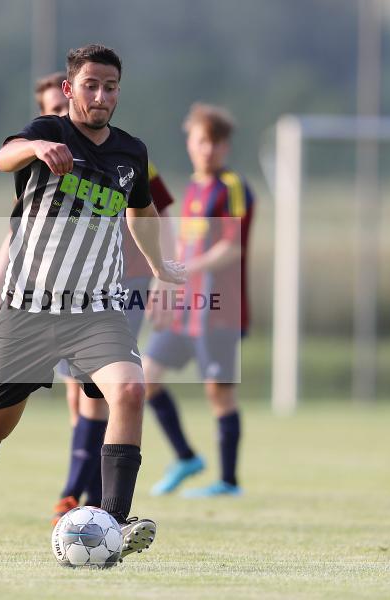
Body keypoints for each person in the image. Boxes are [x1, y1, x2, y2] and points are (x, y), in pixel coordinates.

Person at [0, 44, 185, 561]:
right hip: (31, 308)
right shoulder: (49, 131)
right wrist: (36, 150)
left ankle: (114, 520)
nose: (102, 96)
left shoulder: (132, 151)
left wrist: (155, 265)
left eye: (111, 87)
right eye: (91, 85)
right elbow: (2, 157)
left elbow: (142, 213)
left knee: (129, 392)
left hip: (97, 309)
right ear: (69, 89)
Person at [142, 102, 255, 498]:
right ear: (190, 142)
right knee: (146, 379)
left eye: (217, 142)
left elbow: (233, 245)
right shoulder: (190, 190)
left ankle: (228, 481)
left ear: (226, 147)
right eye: (202, 141)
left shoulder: (232, 188)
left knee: (218, 391)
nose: (209, 149)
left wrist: (186, 270)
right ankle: (186, 457)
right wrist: (167, 285)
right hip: (183, 310)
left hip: (219, 308)